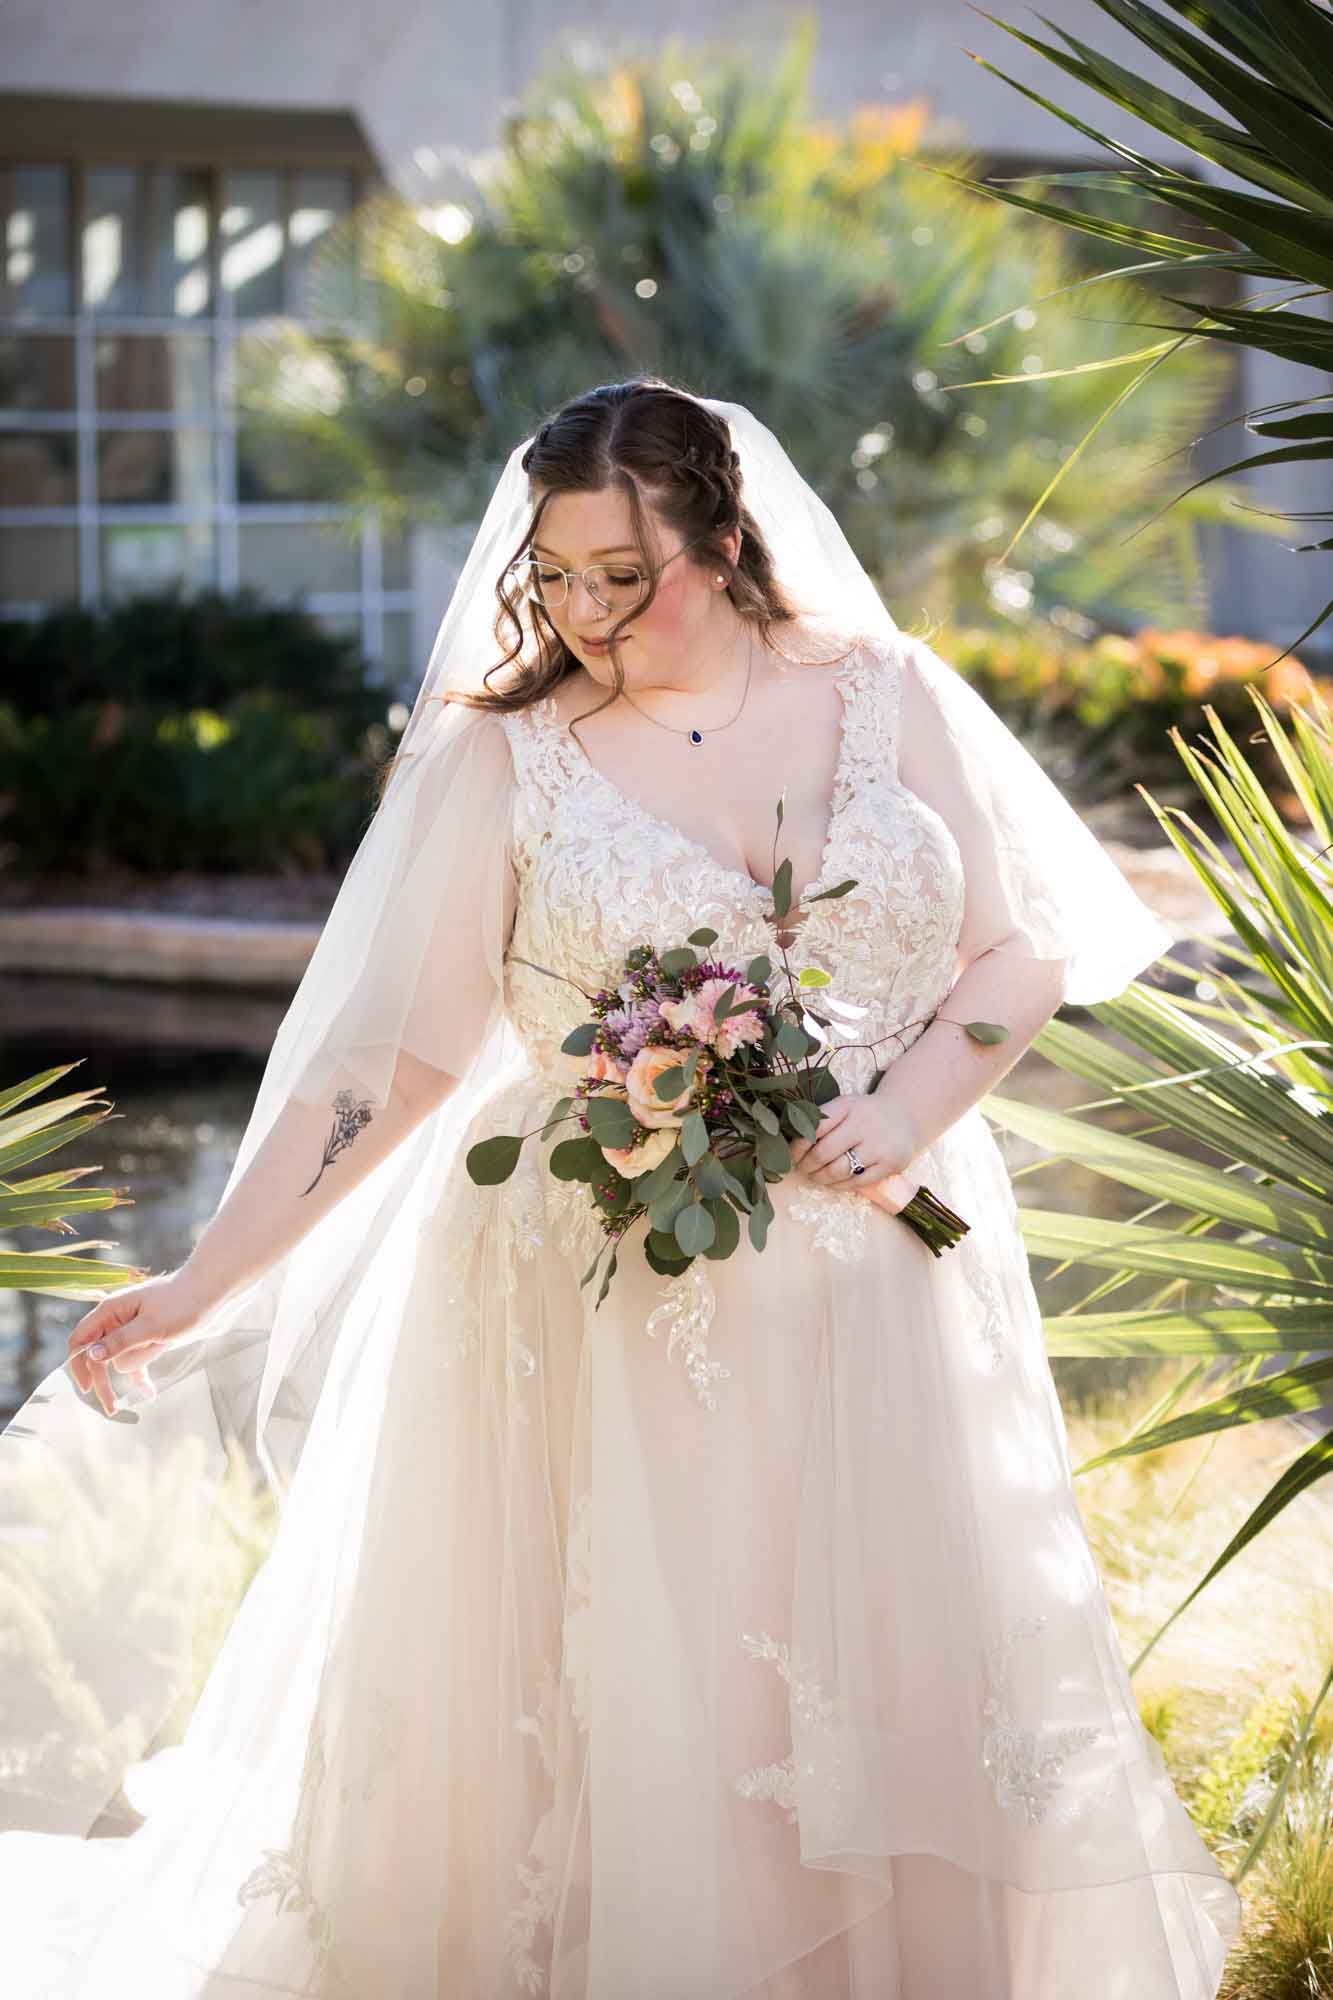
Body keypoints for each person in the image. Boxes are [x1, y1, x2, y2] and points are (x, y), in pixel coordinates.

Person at [0, 379, 1241, 1997]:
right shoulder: (505, 759)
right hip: (601, 1312)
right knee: (660, 1712)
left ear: (723, 538)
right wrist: (200, 1282)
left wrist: (915, 1103)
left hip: (884, 1291)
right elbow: (396, 1067)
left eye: (622, 573)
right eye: (557, 574)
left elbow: (1020, 945)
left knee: (898, 1686)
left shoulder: (885, 688)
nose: (586, 614)